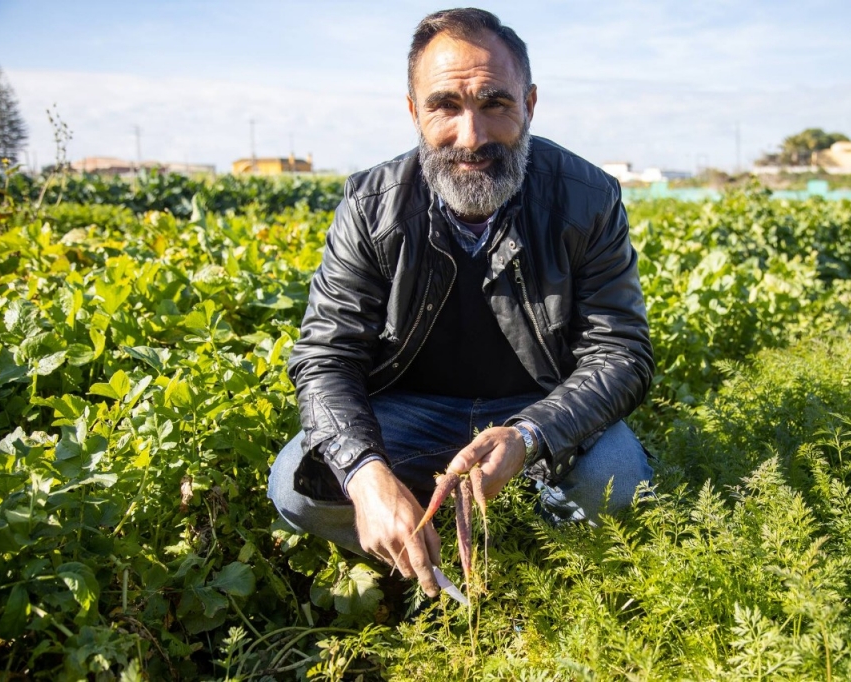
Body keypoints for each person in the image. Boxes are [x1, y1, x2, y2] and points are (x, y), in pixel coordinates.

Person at [268, 7, 654, 599]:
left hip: (540, 404)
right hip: (411, 413)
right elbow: (327, 356)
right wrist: (369, 479)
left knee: (619, 481)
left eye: (495, 103)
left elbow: (620, 353)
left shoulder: (587, 198)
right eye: (445, 105)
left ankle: (532, 563)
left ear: (528, 103)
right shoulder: (372, 206)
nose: (470, 137)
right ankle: (424, 555)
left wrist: (529, 435)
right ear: (413, 111)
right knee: (298, 488)